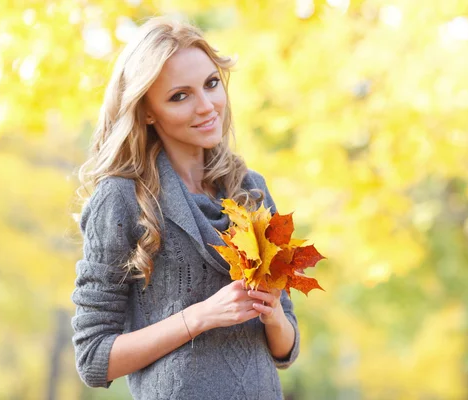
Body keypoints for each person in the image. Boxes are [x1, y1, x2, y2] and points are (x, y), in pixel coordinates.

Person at [71, 16, 300, 400]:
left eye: (211, 84)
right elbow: (93, 358)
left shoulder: (252, 190)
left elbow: (285, 349)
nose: (207, 106)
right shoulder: (122, 199)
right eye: (180, 95)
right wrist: (200, 317)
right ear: (146, 111)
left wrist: (273, 313)